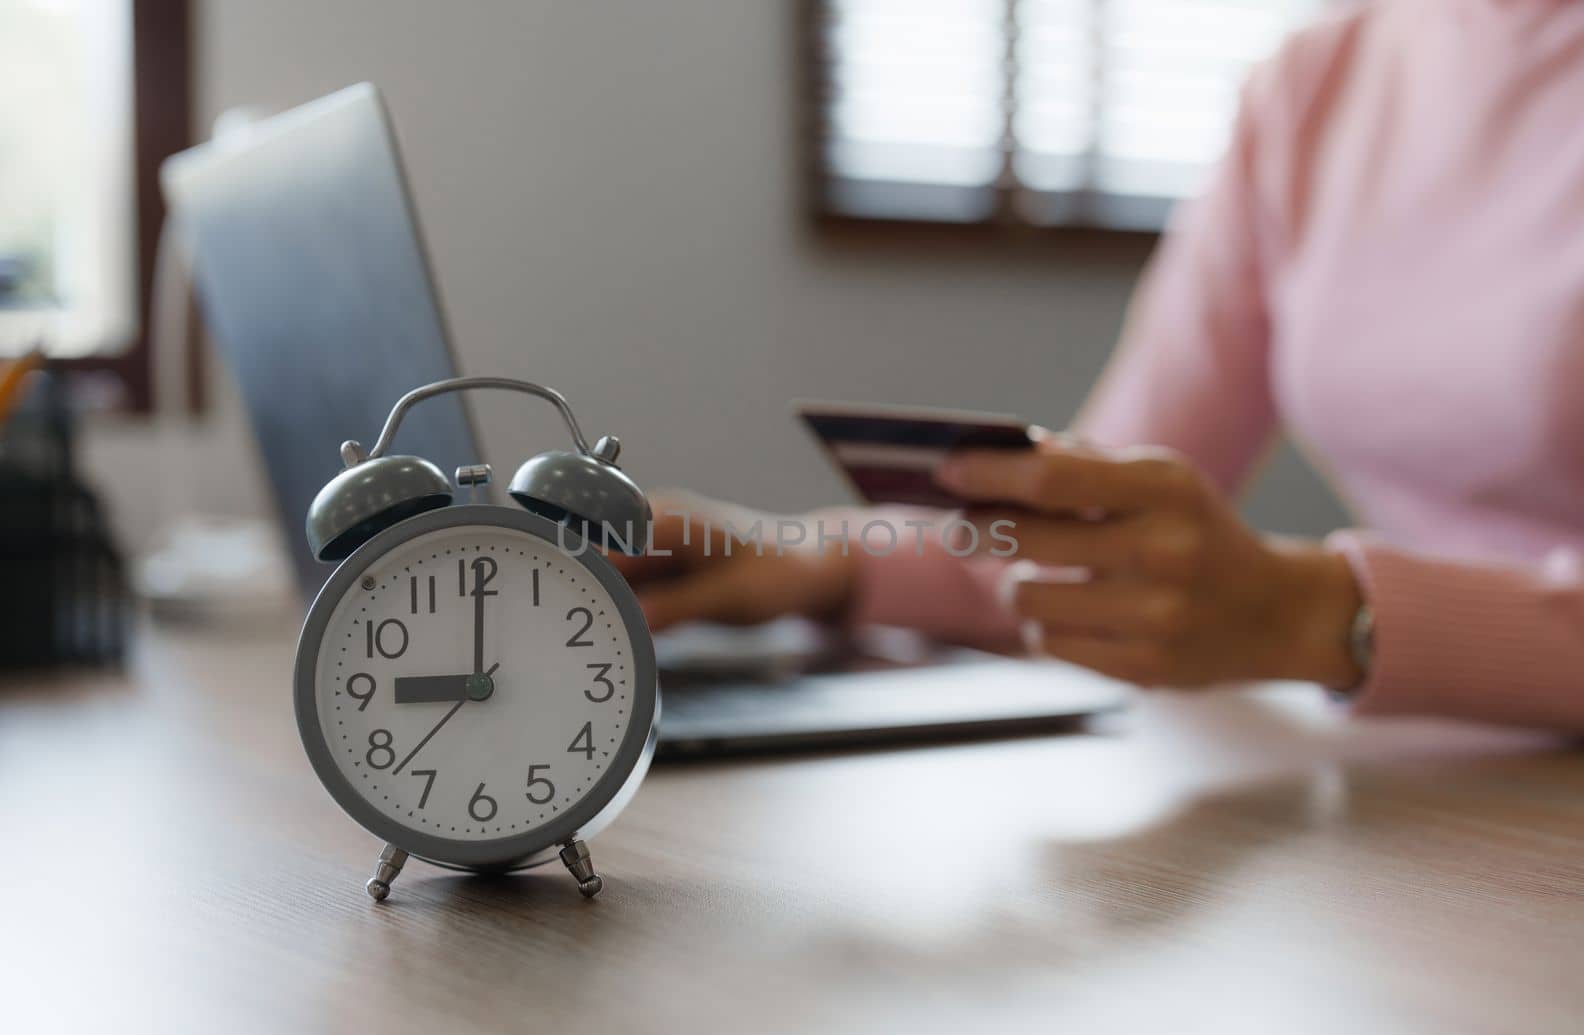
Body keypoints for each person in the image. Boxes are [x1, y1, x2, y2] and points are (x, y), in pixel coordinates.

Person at [618, 0, 1584, 730]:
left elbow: (1275, 609)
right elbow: (1095, 532)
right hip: (1439, 800)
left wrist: (1318, 613)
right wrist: (820, 553)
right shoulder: (1317, 83)